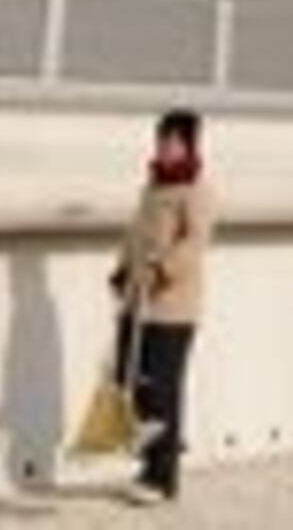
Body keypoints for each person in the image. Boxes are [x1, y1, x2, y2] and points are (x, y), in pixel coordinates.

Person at [107, 108, 216, 504]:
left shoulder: (197, 190)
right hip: (138, 301)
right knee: (130, 380)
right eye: (162, 139)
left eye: (174, 140)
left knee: (162, 388)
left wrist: (162, 271)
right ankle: (157, 452)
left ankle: (162, 475)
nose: (166, 147)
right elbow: (135, 232)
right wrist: (122, 270)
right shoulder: (152, 185)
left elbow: (195, 243)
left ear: (189, 144)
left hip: (172, 307)